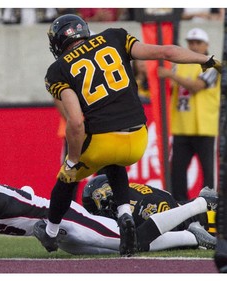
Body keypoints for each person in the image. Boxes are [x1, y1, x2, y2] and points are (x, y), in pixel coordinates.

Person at [34, 14, 221, 257]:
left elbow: (76, 121)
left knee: (66, 177)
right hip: (137, 136)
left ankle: (50, 231)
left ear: (58, 42)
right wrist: (206, 59)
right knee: (115, 162)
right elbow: (166, 52)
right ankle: (124, 214)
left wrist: (73, 160)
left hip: (103, 141)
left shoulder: (57, 70)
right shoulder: (114, 36)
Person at [0, 152, 217, 263]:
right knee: (122, 250)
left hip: (60, 217)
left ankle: (199, 202)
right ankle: (190, 237)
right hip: (56, 235)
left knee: (128, 241)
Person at [158, 28, 221, 202]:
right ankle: (180, 205)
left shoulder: (214, 65)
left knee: (209, 173)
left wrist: (171, 75)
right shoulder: (180, 66)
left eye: (198, 43)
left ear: (206, 45)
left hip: (204, 128)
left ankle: (211, 207)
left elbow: (196, 86)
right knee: (177, 172)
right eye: (191, 43)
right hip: (182, 127)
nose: (194, 46)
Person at [82, 174, 217, 236]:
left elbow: (143, 240)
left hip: (204, 218)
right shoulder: (128, 195)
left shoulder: (138, 207)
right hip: (186, 207)